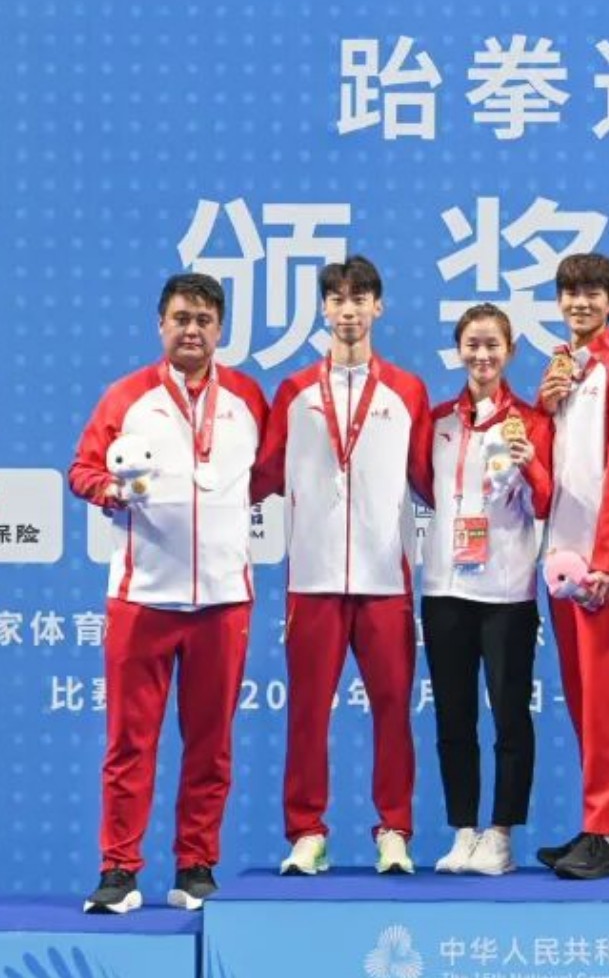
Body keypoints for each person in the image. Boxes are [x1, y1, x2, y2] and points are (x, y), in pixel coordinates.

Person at [69, 273, 268, 913]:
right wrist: (111, 491)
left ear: (220, 329)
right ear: (161, 324)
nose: (192, 330)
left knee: (211, 745)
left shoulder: (247, 399)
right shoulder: (126, 396)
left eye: (204, 320)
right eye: (181, 318)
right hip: (142, 598)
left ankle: (196, 865)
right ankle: (118, 870)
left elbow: (266, 477)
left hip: (223, 599)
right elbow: (82, 469)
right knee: (130, 743)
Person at [252, 256, 431, 876]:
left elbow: (431, 479)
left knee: (393, 710)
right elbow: (261, 475)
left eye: (359, 298)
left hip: (385, 580)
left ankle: (395, 829)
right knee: (307, 712)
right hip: (313, 578)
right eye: (336, 299)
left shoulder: (407, 391)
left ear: (378, 307)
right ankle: (307, 832)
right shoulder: (295, 392)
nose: (347, 309)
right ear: (324, 310)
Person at [535, 252, 609, 880]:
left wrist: (608, 561)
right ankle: (604, 826)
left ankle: (604, 832)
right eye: (571, 292)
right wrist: (543, 404)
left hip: (606, 568)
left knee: (605, 701)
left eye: (593, 293)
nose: (580, 303)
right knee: (584, 701)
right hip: (563, 559)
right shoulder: (564, 368)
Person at [421, 304, 552, 876]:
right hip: (444, 587)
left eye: (492, 345)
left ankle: (500, 834)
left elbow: (546, 502)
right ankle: (463, 831)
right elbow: (420, 485)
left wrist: (531, 465)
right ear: (458, 351)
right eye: (472, 344)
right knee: (453, 717)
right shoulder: (437, 422)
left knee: (509, 717)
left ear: (510, 351)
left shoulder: (532, 422)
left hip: (506, 591)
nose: (482, 355)